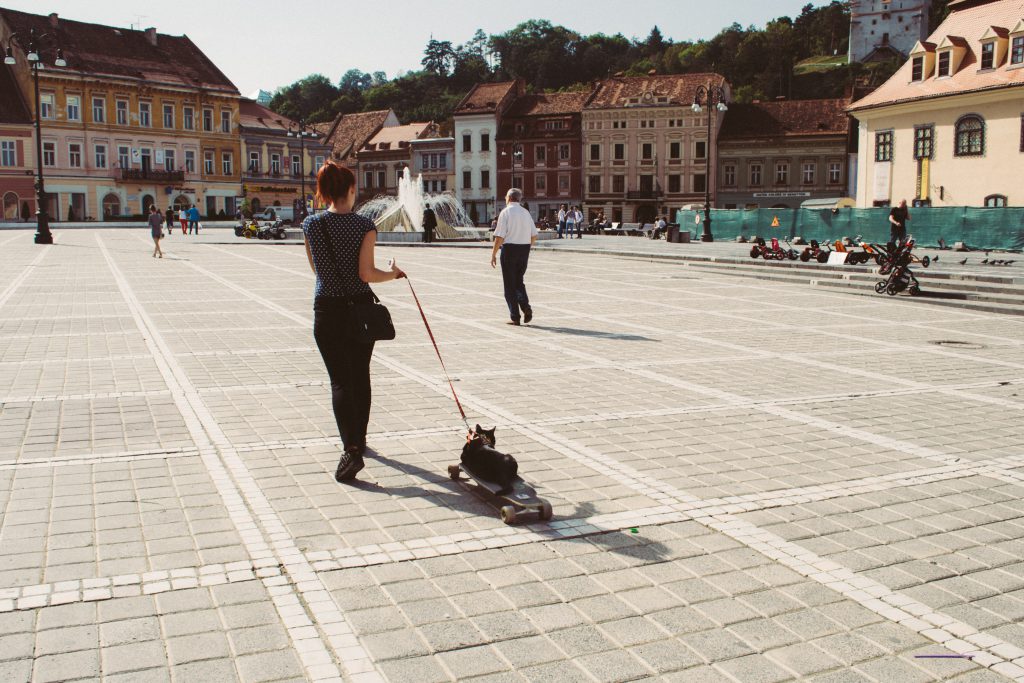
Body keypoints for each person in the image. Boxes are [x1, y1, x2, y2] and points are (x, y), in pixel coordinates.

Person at [303, 161, 405, 482]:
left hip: (327, 310)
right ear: (351, 190)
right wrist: (394, 273)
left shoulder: (311, 225)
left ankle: (351, 449)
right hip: (359, 310)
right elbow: (366, 274)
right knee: (360, 375)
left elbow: (316, 271)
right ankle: (359, 440)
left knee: (340, 380)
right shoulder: (364, 226)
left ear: (324, 193)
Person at [490, 188, 537, 326]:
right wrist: (527, 247)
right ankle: (525, 306)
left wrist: (493, 254)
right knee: (519, 281)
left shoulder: (505, 212)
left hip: (510, 249)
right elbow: (534, 235)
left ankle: (515, 316)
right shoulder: (525, 212)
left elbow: (499, 237)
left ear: (509, 198)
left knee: (509, 285)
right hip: (524, 249)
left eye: (505, 196)